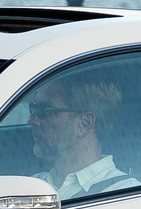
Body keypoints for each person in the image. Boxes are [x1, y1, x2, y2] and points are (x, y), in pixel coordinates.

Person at [26, 70, 132, 201]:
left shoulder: (125, 195)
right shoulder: (30, 185)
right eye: (33, 107)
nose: (32, 120)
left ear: (84, 123)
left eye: (44, 110)